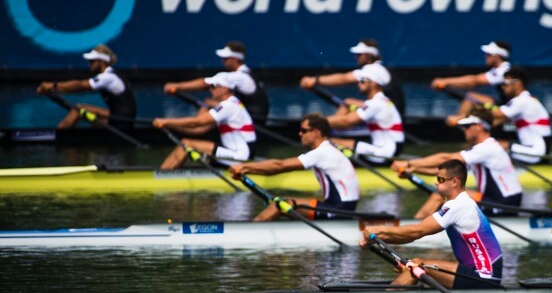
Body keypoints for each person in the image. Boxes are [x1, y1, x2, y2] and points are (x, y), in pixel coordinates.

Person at [360, 159, 503, 289]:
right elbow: (410, 236)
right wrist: (377, 239)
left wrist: (377, 231)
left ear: (454, 181)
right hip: (478, 273)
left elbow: (417, 232)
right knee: (415, 266)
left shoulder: (459, 205)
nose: (436, 183)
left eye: (440, 179)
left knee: (420, 265)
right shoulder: (460, 203)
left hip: (484, 276)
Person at [391, 108, 521, 219]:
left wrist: (408, 163)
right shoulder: (484, 148)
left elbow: (446, 158)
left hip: (501, 205)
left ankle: (414, 230)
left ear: (479, 127)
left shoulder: (486, 148)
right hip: (496, 200)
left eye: (467, 126)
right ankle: (426, 226)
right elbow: (446, 170)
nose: (464, 130)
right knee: (446, 190)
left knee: (440, 195)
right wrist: (412, 169)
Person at [229, 113, 359, 221]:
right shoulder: (328, 149)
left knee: (279, 204)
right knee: (290, 205)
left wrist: (245, 168)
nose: (300, 134)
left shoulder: (322, 152)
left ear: (316, 132)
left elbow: (280, 166)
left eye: (304, 130)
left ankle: (250, 233)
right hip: (342, 208)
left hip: (337, 209)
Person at [153, 73, 256, 170]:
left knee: (187, 144)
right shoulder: (233, 103)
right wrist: (170, 126)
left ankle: (159, 176)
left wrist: (167, 121)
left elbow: (198, 122)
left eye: (213, 86)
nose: (211, 89)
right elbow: (199, 130)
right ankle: (167, 174)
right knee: (192, 146)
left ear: (224, 88)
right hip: (237, 153)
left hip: (239, 157)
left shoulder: (228, 106)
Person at [163, 41, 268, 127]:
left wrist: (176, 86)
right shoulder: (246, 72)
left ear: (235, 59)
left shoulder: (239, 77)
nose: (222, 61)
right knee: (211, 102)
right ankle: (197, 125)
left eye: (225, 59)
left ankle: (196, 127)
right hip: (251, 116)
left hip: (253, 120)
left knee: (209, 102)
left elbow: (204, 83)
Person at [37, 44, 136, 130]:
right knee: (84, 110)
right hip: (121, 119)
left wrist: (52, 85)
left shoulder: (108, 77)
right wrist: (52, 90)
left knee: (79, 109)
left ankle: (57, 136)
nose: (89, 65)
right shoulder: (112, 74)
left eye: (92, 61)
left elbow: (80, 86)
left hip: (121, 124)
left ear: (102, 62)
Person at [299, 38, 405, 117]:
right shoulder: (378, 69)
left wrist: (314, 80)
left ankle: (327, 131)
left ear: (369, 55)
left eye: (359, 54)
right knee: (349, 105)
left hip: (389, 115)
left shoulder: (371, 70)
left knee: (349, 103)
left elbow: (344, 79)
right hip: (389, 112)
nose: (356, 57)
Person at [325, 63, 405, 163]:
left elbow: (345, 122)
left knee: (325, 142)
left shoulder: (376, 103)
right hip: (386, 150)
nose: (359, 83)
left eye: (363, 80)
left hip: (384, 154)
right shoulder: (382, 101)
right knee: (329, 141)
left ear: (374, 83)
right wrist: (347, 103)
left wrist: (315, 122)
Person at [431, 40, 512, 127]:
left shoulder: (503, 71)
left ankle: (460, 125)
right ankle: (462, 122)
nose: (485, 56)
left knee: (471, 98)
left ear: (497, 56)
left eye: (488, 54)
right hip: (502, 106)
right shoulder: (499, 69)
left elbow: (474, 81)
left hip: (507, 110)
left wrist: (444, 81)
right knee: (474, 98)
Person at [487, 67, 552, 164]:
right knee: (489, 143)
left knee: (492, 145)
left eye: (506, 83)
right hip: (536, 150)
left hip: (537, 153)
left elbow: (496, 114)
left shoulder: (522, 101)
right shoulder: (527, 100)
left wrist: (475, 109)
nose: (502, 87)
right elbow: (493, 122)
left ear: (517, 83)